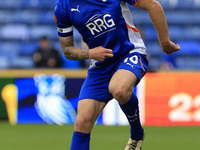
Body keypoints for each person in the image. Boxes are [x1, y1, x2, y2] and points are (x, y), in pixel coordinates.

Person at [54, 0, 180, 149]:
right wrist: (89, 53)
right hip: (100, 65)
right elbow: (68, 50)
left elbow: (153, 5)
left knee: (119, 88)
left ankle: (137, 133)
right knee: (82, 122)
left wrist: (165, 42)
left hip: (130, 52)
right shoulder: (63, 7)